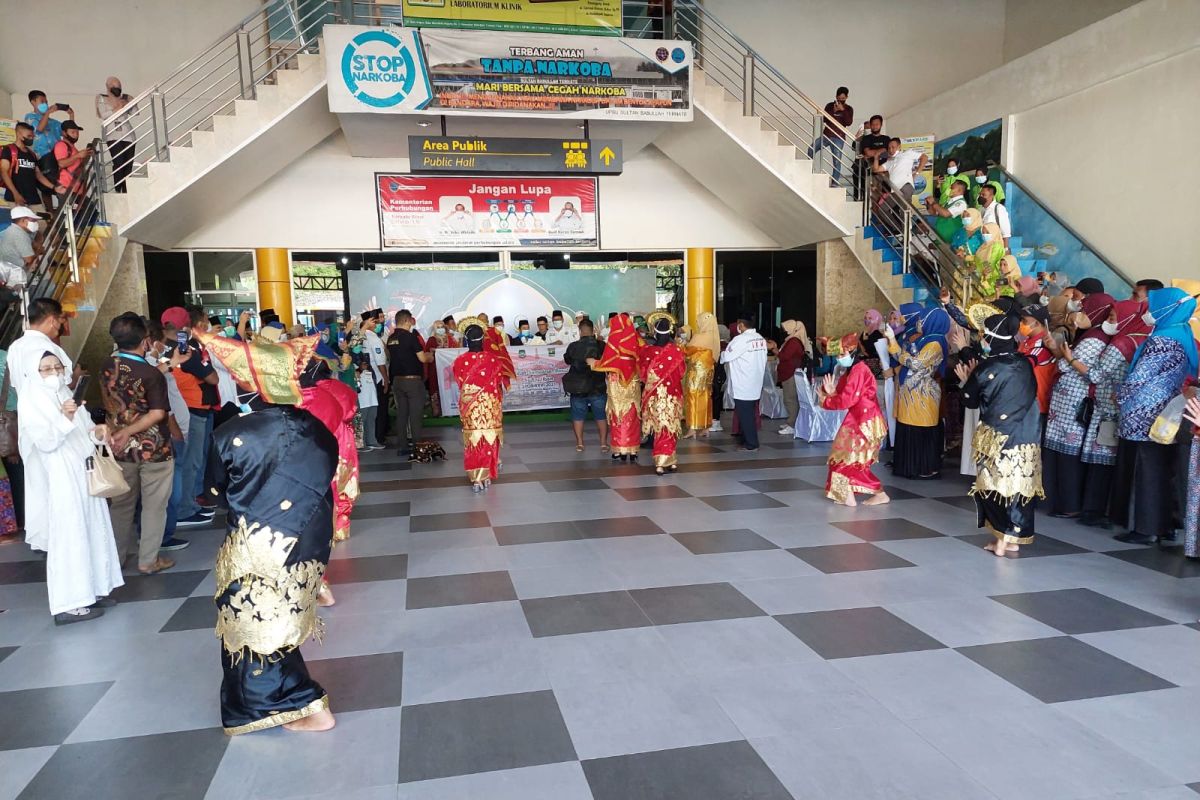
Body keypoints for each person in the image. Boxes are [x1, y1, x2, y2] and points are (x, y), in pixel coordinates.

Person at [202, 332, 340, 734]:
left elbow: (217, 493)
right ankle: (290, 702)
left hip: (254, 546)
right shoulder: (317, 429)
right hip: (309, 542)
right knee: (279, 617)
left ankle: (294, 704)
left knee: (253, 621)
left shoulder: (230, 434)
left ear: (251, 382)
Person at [16, 339, 123, 623]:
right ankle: (69, 602)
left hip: (83, 469)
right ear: (33, 371)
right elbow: (45, 441)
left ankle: (95, 589)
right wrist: (64, 417)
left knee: (92, 527)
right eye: (45, 369)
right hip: (60, 474)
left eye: (56, 367)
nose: (52, 373)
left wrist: (98, 432)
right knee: (70, 533)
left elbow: (85, 430)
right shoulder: (31, 398)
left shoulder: (66, 391)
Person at [1044, 298, 1147, 524]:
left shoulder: (1118, 343)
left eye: (1113, 317)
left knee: (1101, 460)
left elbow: (1095, 375)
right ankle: (1092, 509)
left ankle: (1091, 511)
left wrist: (1069, 359)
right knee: (1102, 458)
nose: (1109, 321)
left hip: (1105, 407)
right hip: (1110, 405)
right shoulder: (1127, 339)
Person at [1114, 288, 1198, 544]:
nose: (1149, 311)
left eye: (1154, 306)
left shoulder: (1160, 340)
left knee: (1146, 469)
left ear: (1167, 309)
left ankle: (1145, 527)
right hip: (1167, 412)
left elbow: (1139, 377)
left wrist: (1118, 395)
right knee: (1163, 468)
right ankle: (1165, 525)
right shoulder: (1183, 335)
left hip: (1145, 412)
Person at [957, 313, 1044, 556]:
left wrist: (966, 381)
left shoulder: (988, 367)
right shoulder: (1024, 362)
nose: (982, 339)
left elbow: (970, 401)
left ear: (992, 337)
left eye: (984, 335)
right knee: (1021, 485)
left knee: (995, 486)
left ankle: (1002, 541)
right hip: (1026, 435)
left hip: (998, 436)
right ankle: (1014, 538)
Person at [100, 312, 176, 574]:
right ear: (145, 341)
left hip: (119, 449)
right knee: (154, 505)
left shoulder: (106, 367)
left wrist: (121, 433)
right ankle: (148, 560)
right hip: (154, 449)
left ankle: (115, 558)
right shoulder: (150, 372)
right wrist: (130, 431)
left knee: (120, 505)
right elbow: (157, 413)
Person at [162, 307, 219, 528]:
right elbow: (212, 378)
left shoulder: (162, 349)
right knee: (191, 462)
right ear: (187, 327)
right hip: (193, 411)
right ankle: (185, 509)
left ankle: (189, 503)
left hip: (179, 410)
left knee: (187, 462)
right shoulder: (184, 351)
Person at [817, 333, 889, 506]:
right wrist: (831, 392)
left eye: (842, 355)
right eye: (838, 356)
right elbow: (842, 395)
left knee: (852, 461)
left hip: (864, 421)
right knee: (844, 458)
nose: (839, 359)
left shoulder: (860, 370)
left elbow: (847, 400)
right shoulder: (851, 370)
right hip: (857, 419)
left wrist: (826, 401)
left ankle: (878, 492)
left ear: (853, 352)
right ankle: (845, 493)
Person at [883, 306, 949, 479]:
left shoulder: (935, 343)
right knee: (908, 429)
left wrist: (894, 343)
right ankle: (908, 467)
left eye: (923, 319)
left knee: (920, 431)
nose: (919, 322)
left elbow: (916, 364)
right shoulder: (926, 339)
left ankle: (924, 468)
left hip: (923, 395)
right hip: (911, 394)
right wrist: (894, 343)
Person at [453, 322, 511, 491]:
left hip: (470, 407)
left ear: (466, 340)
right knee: (489, 439)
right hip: (490, 406)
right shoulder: (493, 360)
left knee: (473, 440)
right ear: (483, 339)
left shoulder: (459, 361)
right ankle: (486, 475)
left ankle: (476, 478)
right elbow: (498, 382)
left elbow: (459, 382)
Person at [638, 312, 687, 475]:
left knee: (659, 427)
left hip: (655, 396)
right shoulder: (677, 352)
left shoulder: (648, 352)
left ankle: (661, 461)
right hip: (672, 395)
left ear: (655, 331)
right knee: (671, 426)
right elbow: (681, 373)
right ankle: (670, 461)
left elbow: (643, 375)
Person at [592, 312, 642, 462]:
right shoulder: (637, 340)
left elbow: (605, 361)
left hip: (616, 383)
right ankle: (633, 450)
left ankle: (618, 450)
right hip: (633, 382)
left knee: (617, 415)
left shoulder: (613, 341)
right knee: (632, 414)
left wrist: (593, 363)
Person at [387, 310, 432, 459]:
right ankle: (418, 446)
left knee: (402, 414)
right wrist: (431, 356)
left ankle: (402, 446)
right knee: (415, 414)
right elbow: (422, 358)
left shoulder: (391, 338)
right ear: (407, 321)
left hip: (397, 381)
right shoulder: (411, 337)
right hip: (412, 381)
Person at [722, 312, 768, 452]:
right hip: (755, 382)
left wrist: (721, 353)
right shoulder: (760, 339)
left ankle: (751, 444)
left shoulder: (740, 340)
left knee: (745, 414)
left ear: (741, 325)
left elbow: (726, 356)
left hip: (743, 382)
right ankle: (746, 440)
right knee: (749, 413)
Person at [563, 319, 608, 452]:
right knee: (601, 416)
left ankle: (580, 444)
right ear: (593, 330)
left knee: (577, 417)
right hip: (597, 387)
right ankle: (604, 444)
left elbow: (567, 360)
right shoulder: (601, 345)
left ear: (580, 331)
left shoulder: (573, 346)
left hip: (578, 388)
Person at [2, 123, 63, 209]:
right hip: (15, 199)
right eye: (29, 136)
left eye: (32, 136)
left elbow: (38, 174)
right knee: (21, 222)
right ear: (19, 134)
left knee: (41, 222)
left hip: (33, 198)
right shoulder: (8, 150)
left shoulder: (31, 154)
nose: (32, 138)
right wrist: (15, 194)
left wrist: (54, 187)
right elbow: (4, 172)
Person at [683, 311, 721, 438]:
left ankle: (692, 429)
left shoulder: (700, 337)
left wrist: (681, 343)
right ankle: (706, 427)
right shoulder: (713, 336)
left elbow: (686, 352)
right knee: (706, 397)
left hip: (696, 373)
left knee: (693, 397)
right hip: (708, 372)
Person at [96, 77, 137, 193]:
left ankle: (126, 190)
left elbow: (135, 112)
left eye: (119, 87)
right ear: (108, 87)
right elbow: (103, 115)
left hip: (128, 135)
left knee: (128, 165)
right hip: (112, 135)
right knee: (118, 162)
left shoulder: (125, 98)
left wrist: (131, 102)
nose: (117, 90)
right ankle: (118, 190)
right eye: (114, 87)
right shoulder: (101, 98)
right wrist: (118, 107)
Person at [810, 86, 853, 184]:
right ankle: (809, 170)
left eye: (843, 99)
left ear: (846, 97)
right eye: (839, 98)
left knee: (837, 162)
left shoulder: (849, 109)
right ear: (836, 96)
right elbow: (824, 119)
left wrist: (843, 110)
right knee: (811, 149)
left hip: (839, 137)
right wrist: (833, 111)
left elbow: (848, 122)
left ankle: (834, 182)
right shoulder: (829, 105)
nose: (840, 100)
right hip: (826, 135)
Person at [776, 319, 811, 436]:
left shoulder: (794, 342)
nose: (785, 331)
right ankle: (791, 421)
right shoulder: (791, 340)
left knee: (790, 399)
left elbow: (785, 356)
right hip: (788, 373)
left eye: (786, 329)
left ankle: (792, 424)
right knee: (789, 398)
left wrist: (775, 349)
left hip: (790, 373)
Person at [359, 309, 389, 445]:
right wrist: (386, 379)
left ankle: (371, 438)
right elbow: (380, 362)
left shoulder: (362, 336)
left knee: (370, 409)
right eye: (375, 322)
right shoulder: (373, 338)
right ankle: (378, 437)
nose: (378, 324)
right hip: (376, 377)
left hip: (367, 378)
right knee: (379, 410)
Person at [874, 137, 928, 205]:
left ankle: (908, 214)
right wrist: (876, 158)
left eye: (893, 147)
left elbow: (924, 157)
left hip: (905, 186)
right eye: (889, 148)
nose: (891, 150)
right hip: (894, 190)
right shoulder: (889, 161)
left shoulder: (907, 153)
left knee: (904, 210)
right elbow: (876, 170)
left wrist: (916, 173)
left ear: (899, 147)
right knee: (883, 209)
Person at [24, 90, 73, 159]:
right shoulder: (30, 117)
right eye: (42, 101)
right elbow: (39, 129)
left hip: (57, 156)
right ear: (33, 102)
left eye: (46, 102)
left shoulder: (53, 122)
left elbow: (69, 133)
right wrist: (48, 113)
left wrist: (71, 115)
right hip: (42, 157)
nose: (45, 104)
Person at [423, 316, 456, 417]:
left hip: (448, 370)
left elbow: (455, 352)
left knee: (448, 388)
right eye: (438, 327)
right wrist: (433, 352)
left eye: (442, 326)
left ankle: (451, 410)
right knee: (435, 387)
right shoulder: (431, 340)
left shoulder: (451, 339)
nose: (440, 328)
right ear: (434, 329)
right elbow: (426, 354)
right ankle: (437, 411)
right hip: (435, 370)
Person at [855, 114, 889, 200]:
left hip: (884, 171)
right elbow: (868, 152)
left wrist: (873, 153)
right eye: (873, 124)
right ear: (870, 125)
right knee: (873, 197)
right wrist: (882, 150)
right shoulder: (866, 138)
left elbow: (888, 153)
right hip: (871, 172)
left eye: (877, 124)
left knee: (885, 196)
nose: (875, 126)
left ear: (881, 125)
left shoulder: (887, 139)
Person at [53, 121, 93, 192]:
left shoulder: (72, 148)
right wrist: (78, 155)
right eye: (73, 132)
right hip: (66, 188)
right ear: (64, 133)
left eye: (77, 132)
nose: (76, 135)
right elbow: (61, 164)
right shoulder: (61, 145)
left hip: (75, 188)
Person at [0, 206, 40, 271]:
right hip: (14, 272)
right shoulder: (20, 235)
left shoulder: (12, 229)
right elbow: (30, 260)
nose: (36, 223)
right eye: (33, 220)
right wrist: (39, 251)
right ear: (24, 220)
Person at [977, 184, 1011, 251]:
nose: (980, 196)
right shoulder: (980, 209)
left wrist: (1006, 249)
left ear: (991, 196)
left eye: (983, 195)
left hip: (995, 247)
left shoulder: (999, 208)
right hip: (983, 246)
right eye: (980, 194)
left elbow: (1005, 231)